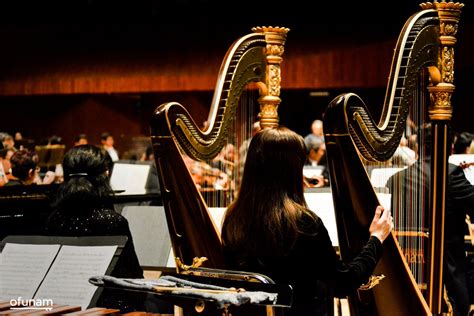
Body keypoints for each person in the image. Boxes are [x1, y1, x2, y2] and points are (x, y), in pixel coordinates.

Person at [221, 126, 393, 315]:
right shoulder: (303, 223)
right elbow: (344, 284)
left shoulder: (233, 219)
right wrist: (376, 239)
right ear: (292, 170)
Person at [387, 123, 474, 316]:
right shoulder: (451, 175)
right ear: (450, 146)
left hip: (406, 280)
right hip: (445, 284)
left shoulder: (395, 180)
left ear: (418, 146)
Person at [44, 145, 144, 311]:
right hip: (109, 307)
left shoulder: (53, 219)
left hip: (62, 304)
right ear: (103, 176)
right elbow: (133, 280)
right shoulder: (112, 221)